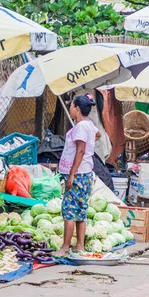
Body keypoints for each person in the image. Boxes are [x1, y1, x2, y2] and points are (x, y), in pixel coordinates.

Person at [55, 94, 101, 257]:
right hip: (86, 173)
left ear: (77, 109)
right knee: (81, 210)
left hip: (78, 174)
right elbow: (98, 135)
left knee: (69, 210)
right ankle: (79, 245)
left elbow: (80, 150)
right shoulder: (89, 125)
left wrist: (71, 174)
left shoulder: (81, 127)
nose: (70, 109)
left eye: (71, 106)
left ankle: (65, 247)